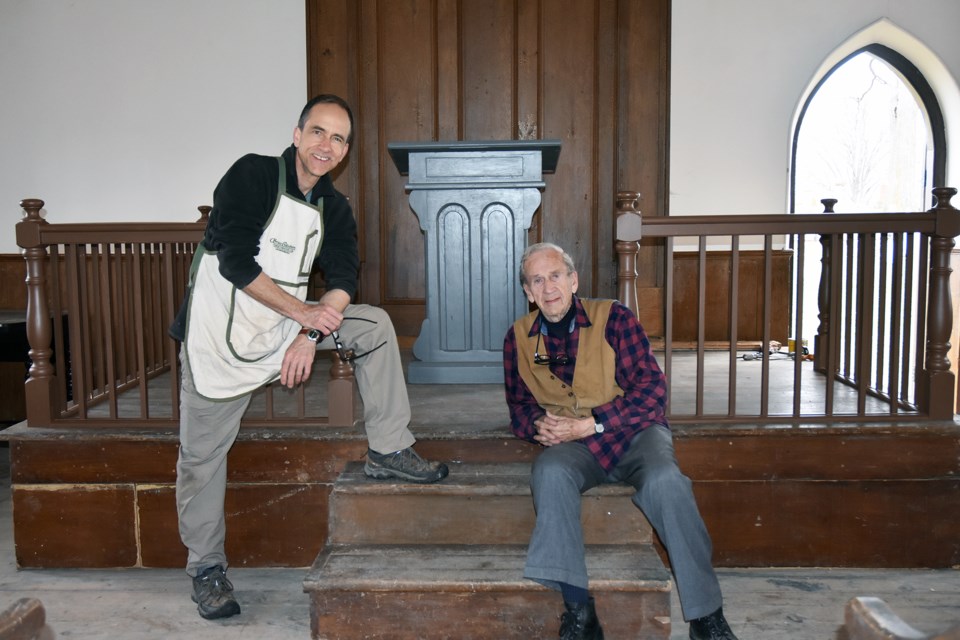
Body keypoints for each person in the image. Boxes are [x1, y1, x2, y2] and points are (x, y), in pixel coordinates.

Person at [169, 94, 449, 620]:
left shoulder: (334, 208)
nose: (327, 146)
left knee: (376, 327)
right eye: (318, 132)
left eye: (338, 138)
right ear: (297, 135)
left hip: (284, 329)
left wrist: (308, 330)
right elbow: (233, 259)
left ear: (344, 152)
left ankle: (389, 449)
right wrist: (304, 315)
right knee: (201, 461)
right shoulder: (251, 175)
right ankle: (206, 569)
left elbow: (343, 276)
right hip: (217, 333)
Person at [502, 242, 738, 640]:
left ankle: (706, 617)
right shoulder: (519, 341)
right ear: (527, 292)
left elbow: (651, 392)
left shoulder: (614, 318)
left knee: (667, 483)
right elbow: (519, 408)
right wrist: (539, 426)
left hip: (633, 433)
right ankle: (580, 610)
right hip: (575, 446)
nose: (548, 288)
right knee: (549, 473)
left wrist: (594, 422)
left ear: (573, 281)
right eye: (537, 280)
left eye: (556, 276)